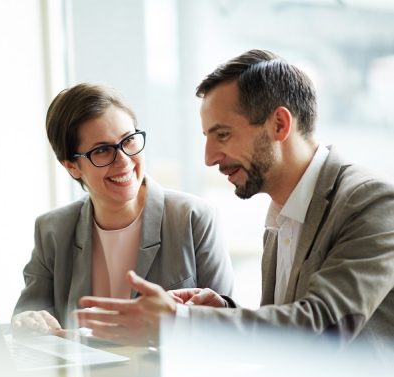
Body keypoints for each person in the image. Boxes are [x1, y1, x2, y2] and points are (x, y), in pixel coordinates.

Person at [76, 50, 394, 351]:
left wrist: (179, 322)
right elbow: (286, 337)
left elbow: (323, 329)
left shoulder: (371, 202)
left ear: (280, 125)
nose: (209, 158)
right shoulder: (283, 210)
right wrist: (224, 310)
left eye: (223, 135)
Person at [12, 83, 234, 336]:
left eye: (128, 141)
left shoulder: (194, 218)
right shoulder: (52, 230)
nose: (124, 161)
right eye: (103, 150)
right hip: (83, 374)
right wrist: (29, 321)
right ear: (72, 166)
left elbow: (227, 327)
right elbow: (28, 314)